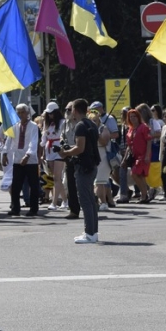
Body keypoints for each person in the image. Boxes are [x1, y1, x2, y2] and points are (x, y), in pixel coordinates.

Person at [58, 99, 101, 244]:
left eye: (71, 110)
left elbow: (80, 148)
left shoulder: (80, 126)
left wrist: (66, 153)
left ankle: (89, 233)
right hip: (92, 164)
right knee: (90, 199)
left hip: (84, 166)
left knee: (85, 200)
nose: (70, 113)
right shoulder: (92, 124)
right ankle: (92, 231)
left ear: (75, 111)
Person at [2, 104, 40, 217]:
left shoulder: (33, 126)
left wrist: (28, 155)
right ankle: (15, 208)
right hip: (18, 160)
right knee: (16, 186)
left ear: (27, 113)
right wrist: (4, 153)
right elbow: (9, 140)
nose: (20, 114)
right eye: (18, 112)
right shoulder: (14, 126)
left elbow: (34, 142)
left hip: (31, 160)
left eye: (22, 112)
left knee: (33, 186)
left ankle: (33, 209)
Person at [40, 102, 67, 211]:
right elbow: (43, 139)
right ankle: (65, 201)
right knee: (56, 178)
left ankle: (54, 202)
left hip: (59, 150)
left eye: (51, 113)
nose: (50, 115)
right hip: (49, 151)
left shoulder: (62, 123)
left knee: (56, 177)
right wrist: (43, 154)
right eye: (48, 113)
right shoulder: (47, 124)